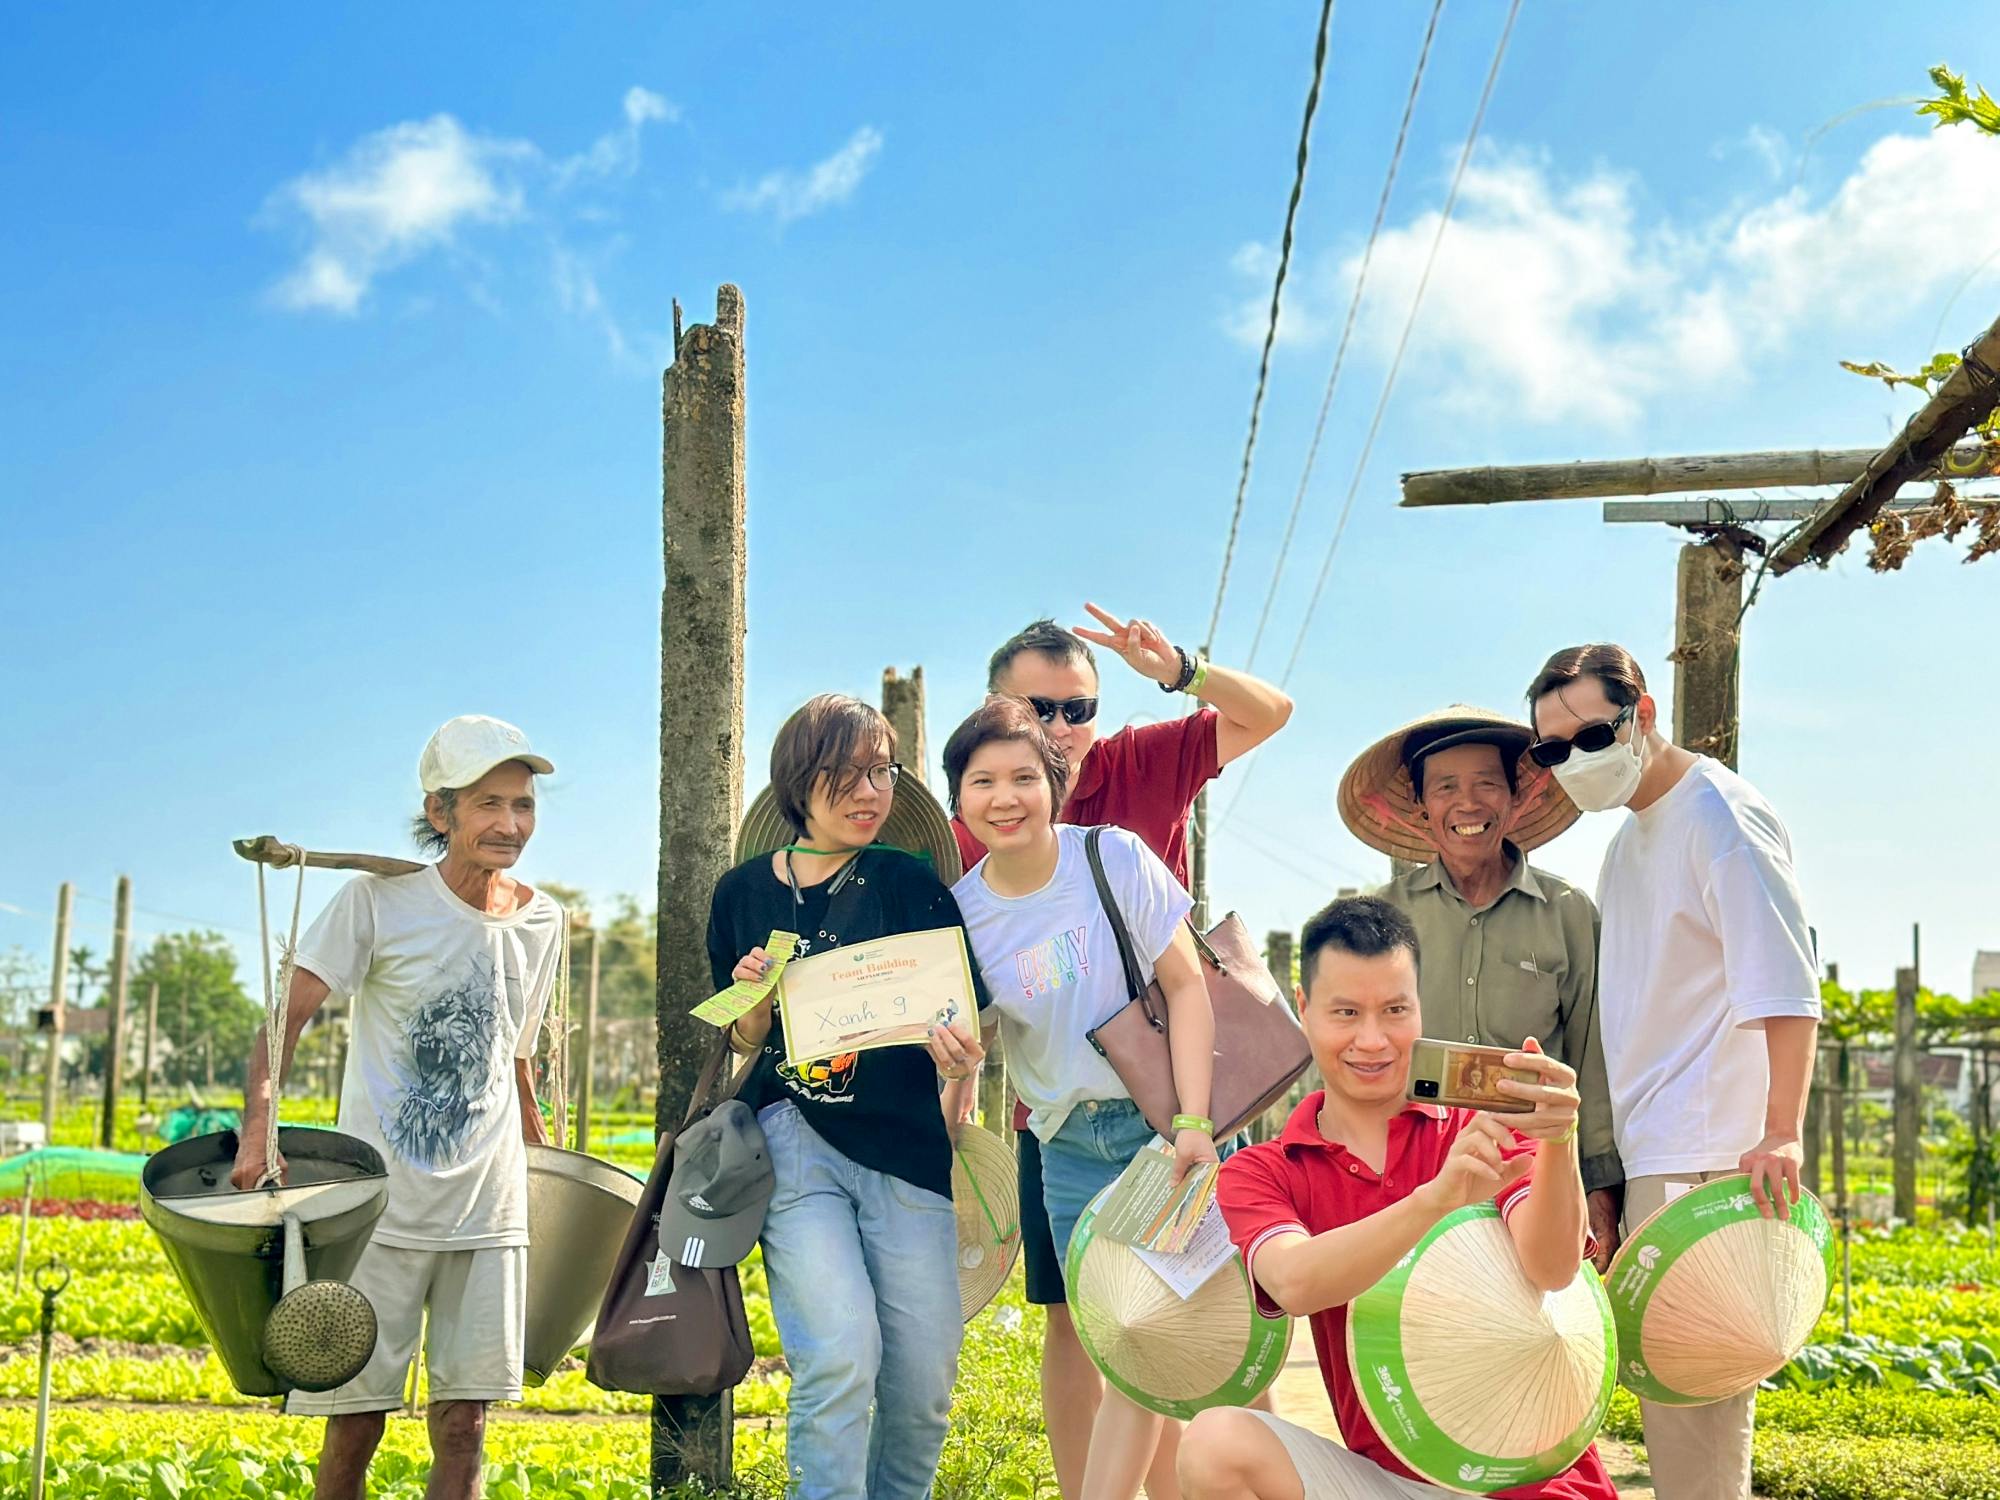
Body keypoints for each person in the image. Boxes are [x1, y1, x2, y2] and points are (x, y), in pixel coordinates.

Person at [961, 608, 1292, 1499]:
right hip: (1060, 1119)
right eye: (1042, 709)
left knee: (1210, 1309)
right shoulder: (984, 813)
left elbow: (1271, 712)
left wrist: (1180, 669)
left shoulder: (1141, 765)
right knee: (1080, 1319)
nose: (1064, 730)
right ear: (1000, 706)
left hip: (1178, 1097)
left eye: (1081, 710)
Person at [1181, 896, 1616, 1500]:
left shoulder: (1479, 1126)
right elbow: (1295, 1283)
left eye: (1394, 1010)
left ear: (1421, 1006)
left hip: (1533, 1483)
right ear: (1304, 1009)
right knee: (1215, 1443)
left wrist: (1557, 1140)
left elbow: (1554, 1268)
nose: (1372, 1040)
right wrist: (1436, 1201)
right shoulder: (1266, 1171)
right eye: (1346, 1012)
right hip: (1390, 1484)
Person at [229, 715, 563, 1500]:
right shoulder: (375, 904)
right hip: (380, 1210)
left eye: (522, 805)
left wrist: (537, 1138)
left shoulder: (543, 919)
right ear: (439, 811)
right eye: (488, 804)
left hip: (489, 1210)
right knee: (355, 1421)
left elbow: (515, 1051)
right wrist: (258, 1130)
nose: (510, 824)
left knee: (465, 1425)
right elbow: (287, 1017)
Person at [1524, 644, 1820, 1500]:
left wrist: (1781, 1133)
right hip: (1659, 1157)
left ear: (1642, 714)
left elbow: (1785, 985)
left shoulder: (1720, 815)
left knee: (1702, 1437)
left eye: (1590, 736)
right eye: (1551, 749)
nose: (1572, 761)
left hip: (1715, 1159)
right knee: (1673, 1424)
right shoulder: (1629, 843)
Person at [706, 693, 993, 1500]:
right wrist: (754, 999)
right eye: (845, 774)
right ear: (799, 783)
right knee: (837, 1355)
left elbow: (966, 1017)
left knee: (923, 1380)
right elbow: (740, 1038)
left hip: (905, 1148)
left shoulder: (909, 881)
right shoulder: (739, 897)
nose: (870, 792)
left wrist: (962, 1055)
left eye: (881, 771)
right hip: (792, 1140)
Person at [938, 695, 1218, 1500]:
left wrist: (1194, 1125)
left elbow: (1187, 985)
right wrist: (952, 1084)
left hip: (1162, 1133)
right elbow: (972, 1046)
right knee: (1115, 1340)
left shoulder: (1112, 858)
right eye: (983, 780)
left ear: (1055, 783)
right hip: (1065, 1150)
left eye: (1025, 776)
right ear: (959, 797)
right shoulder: (964, 914)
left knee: (1186, 1340)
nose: (1005, 797)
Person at [1338, 705, 1623, 1268]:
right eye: (1446, 787)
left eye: (1487, 784)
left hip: (1537, 1185)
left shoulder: (1567, 913)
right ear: (1421, 810)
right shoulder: (1380, 920)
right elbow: (1352, 1057)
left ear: (1515, 801)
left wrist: (1600, 1191)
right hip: (1411, 1186)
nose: (1468, 804)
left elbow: (1592, 1058)